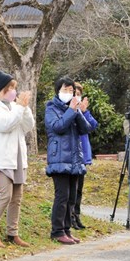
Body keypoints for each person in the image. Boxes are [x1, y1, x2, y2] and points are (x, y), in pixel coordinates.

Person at [0, 71, 35, 248]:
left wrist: (25, 108)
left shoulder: (14, 106)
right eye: (10, 87)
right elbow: (5, 125)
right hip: (1, 159)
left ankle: (13, 233)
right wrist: (20, 108)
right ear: (1, 89)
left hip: (18, 158)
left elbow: (28, 126)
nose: (13, 90)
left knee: (17, 197)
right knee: (5, 195)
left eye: (14, 87)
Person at [45, 76, 92, 245]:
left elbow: (86, 128)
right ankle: (56, 231)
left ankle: (66, 229)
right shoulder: (51, 108)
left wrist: (79, 111)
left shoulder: (73, 108)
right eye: (65, 90)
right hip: (59, 158)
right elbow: (57, 127)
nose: (70, 93)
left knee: (72, 197)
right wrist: (71, 111)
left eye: (71, 90)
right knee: (62, 196)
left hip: (74, 159)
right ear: (58, 91)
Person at [71, 83, 98, 230]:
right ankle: (70, 217)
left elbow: (93, 125)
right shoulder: (68, 109)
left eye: (79, 93)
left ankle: (77, 215)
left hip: (83, 154)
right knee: (72, 189)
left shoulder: (83, 111)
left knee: (79, 189)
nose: (77, 95)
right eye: (74, 92)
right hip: (72, 154)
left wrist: (85, 111)